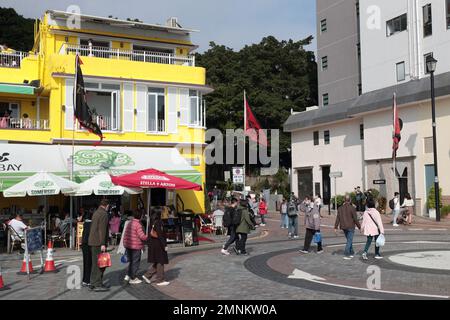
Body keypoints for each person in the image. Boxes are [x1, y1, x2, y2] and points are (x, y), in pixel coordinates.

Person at [143, 208, 170, 286]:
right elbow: (160, 235)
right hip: (158, 244)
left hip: (153, 244)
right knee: (160, 261)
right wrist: (164, 245)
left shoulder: (151, 221)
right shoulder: (158, 222)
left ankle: (147, 276)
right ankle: (160, 280)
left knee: (157, 261)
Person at [88, 199, 110, 292]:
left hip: (92, 241)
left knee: (94, 263)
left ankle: (93, 283)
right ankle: (97, 284)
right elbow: (102, 230)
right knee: (100, 264)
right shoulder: (104, 214)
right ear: (107, 205)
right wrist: (103, 243)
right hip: (98, 242)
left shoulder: (96, 212)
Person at [123, 210, 148, 284]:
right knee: (135, 262)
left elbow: (125, 234)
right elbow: (142, 236)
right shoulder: (138, 225)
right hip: (135, 246)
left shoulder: (130, 223)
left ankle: (127, 276)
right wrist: (147, 237)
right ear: (140, 216)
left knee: (131, 262)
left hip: (128, 245)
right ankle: (133, 278)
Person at [334, 195, 361, 260]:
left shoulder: (340, 208)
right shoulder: (352, 208)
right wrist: (359, 227)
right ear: (350, 200)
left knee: (349, 240)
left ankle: (352, 252)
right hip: (351, 226)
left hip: (343, 226)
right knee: (349, 240)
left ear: (344, 200)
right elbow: (355, 219)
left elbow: (338, 218)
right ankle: (346, 253)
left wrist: (335, 227)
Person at [80, 210, 93, 287]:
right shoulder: (91, 224)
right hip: (89, 244)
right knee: (90, 262)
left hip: (84, 244)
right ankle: (88, 280)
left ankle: (85, 280)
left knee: (85, 262)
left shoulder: (85, 223)